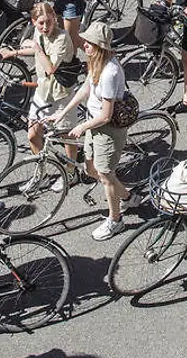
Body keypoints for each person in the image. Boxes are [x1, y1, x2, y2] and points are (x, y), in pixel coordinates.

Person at [48, 22, 132, 241]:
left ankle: (115, 220)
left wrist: (82, 127)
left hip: (107, 130)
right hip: (93, 125)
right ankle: (128, 197)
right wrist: (62, 112)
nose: (84, 45)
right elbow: (85, 88)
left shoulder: (110, 72)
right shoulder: (95, 61)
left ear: (100, 46)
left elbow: (106, 115)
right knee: (90, 169)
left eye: (89, 43)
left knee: (105, 175)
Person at [0, 2, 80, 165]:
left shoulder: (62, 38)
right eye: (41, 23)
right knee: (33, 135)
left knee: (67, 137)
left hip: (60, 94)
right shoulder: (38, 32)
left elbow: (50, 68)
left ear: (54, 19)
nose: (45, 27)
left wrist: (35, 47)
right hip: (43, 91)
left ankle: (71, 170)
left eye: (49, 22)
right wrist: (14, 53)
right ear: (34, 22)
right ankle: (42, 169)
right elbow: (37, 51)